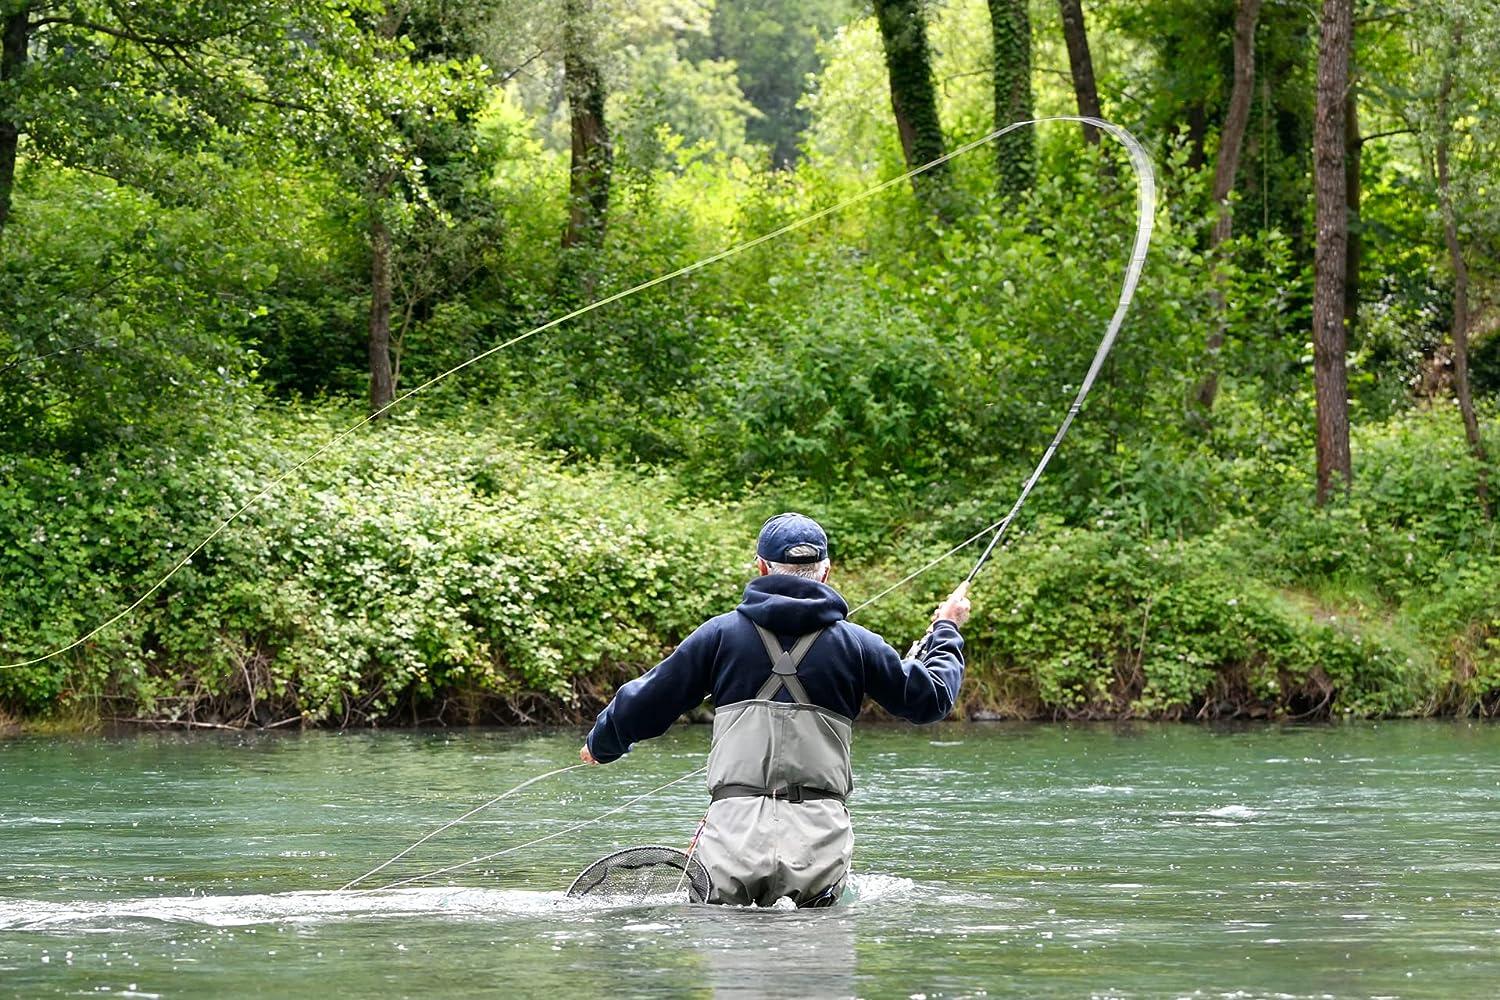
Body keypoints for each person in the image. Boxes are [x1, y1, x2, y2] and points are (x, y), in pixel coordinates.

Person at [580, 512, 971, 908]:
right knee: (813, 941)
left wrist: (602, 743)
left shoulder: (719, 635)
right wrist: (946, 629)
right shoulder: (857, 643)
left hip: (733, 833)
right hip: (819, 835)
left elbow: (648, 699)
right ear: (826, 572)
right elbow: (931, 699)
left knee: (728, 937)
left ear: (762, 567)